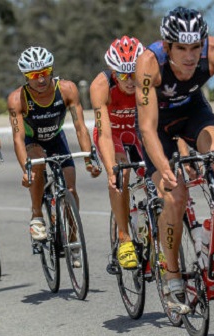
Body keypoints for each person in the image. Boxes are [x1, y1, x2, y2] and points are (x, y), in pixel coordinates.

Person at [135, 6, 214, 313]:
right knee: (175, 196)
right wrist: (165, 168)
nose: (190, 56)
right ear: (167, 46)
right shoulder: (149, 64)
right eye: (181, 48)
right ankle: (171, 273)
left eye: (196, 47)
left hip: (195, 115)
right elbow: (145, 127)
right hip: (158, 127)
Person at [7, 46, 101, 267]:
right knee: (37, 162)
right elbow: (18, 138)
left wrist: (89, 158)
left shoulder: (67, 89)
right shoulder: (17, 99)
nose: (40, 79)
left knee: (70, 190)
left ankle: (73, 239)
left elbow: (80, 127)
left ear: (51, 70)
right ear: (25, 76)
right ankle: (37, 215)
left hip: (57, 139)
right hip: (33, 142)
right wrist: (26, 169)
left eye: (44, 72)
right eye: (33, 75)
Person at [90, 36, 145, 269]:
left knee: (160, 178)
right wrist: (112, 171)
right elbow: (103, 133)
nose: (130, 81)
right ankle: (124, 239)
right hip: (111, 134)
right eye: (123, 75)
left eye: (134, 74)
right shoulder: (101, 86)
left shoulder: (150, 79)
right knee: (120, 176)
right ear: (113, 71)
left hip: (139, 131)